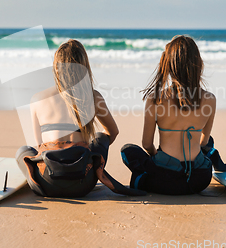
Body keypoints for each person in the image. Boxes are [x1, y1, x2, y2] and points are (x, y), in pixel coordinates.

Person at [16, 39, 144, 197]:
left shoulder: (37, 99)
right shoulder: (93, 97)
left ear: (56, 68)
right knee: (100, 137)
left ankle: (33, 179)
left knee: (23, 151)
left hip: (48, 185)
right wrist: (90, 150)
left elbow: (39, 147)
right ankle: (95, 168)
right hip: (84, 183)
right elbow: (113, 132)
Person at [121, 35, 226, 195]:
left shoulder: (155, 99)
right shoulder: (210, 99)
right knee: (209, 143)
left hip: (165, 181)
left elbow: (146, 144)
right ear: (198, 64)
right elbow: (203, 141)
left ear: (168, 65)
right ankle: (215, 161)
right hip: (200, 180)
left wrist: (157, 156)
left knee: (128, 150)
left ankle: (142, 179)